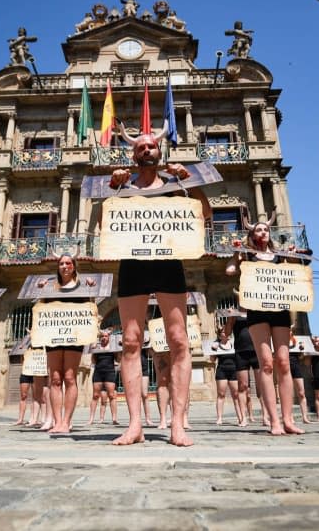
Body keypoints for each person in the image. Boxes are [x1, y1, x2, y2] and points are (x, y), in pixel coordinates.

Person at [107, 123, 212, 446]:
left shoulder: (177, 185)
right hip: (132, 264)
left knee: (179, 340)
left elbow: (204, 214)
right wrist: (112, 190)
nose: (147, 149)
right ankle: (135, 425)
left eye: (151, 145)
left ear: (160, 151)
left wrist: (189, 180)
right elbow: (105, 226)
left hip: (169, 262)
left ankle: (177, 425)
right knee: (130, 341)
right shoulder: (122, 188)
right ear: (133, 154)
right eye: (140, 146)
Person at [226, 216, 304, 435]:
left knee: (284, 363)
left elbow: (296, 273)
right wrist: (236, 253)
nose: (263, 232)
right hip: (257, 311)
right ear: (252, 235)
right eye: (258, 230)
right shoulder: (248, 256)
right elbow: (230, 271)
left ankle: (288, 419)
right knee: (267, 364)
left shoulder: (280, 256)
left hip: (280, 310)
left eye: (265, 229)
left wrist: (294, 254)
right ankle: (274, 421)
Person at [36, 253, 94, 433]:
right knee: (54, 378)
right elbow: (41, 308)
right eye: (61, 263)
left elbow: (90, 308)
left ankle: (66, 421)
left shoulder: (82, 286)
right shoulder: (50, 286)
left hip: (74, 335)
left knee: (69, 377)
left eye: (68, 263)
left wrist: (91, 290)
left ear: (74, 266)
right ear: (58, 266)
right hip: (53, 334)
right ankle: (57, 421)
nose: (65, 266)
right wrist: (41, 291)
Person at [224, 309, 266, 427]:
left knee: (261, 386)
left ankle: (265, 417)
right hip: (241, 353)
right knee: (242, 386)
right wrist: (230, 318)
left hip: (257, 351)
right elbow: (227, 333)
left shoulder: (255, 310)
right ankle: (243, 418)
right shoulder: (234, 313)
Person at [210, 328, 242, 425]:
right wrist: (213, 350)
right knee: (221, 394)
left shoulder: (233, 343)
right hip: (222, 370)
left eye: (226, 331)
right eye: (223, 332)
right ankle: (219, 418)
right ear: (220, 335)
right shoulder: (216, 344)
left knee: (236, 395)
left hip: (234, 370)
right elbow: (212, 360)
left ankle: (240, 417)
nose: (225, 333)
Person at [88, 329, 119, 425]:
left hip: (109, 372)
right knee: (95, 396)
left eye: (106, 336)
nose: (104, 338)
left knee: (111, 395)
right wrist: (93, 350)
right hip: (98, 372)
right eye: (102, 336)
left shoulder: (113, 347)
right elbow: (93, 361)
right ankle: (91, 419)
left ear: (109, 337)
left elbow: (118, 359)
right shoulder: (97, 347)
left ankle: (114, 419)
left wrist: (117, 350)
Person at [288, 331, 311, 424]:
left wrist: (302, 351)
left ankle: (305, 417)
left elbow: (301, 358)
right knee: (288, 394)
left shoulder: (296, 341)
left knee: (301, 393)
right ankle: (290, 417)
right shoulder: (279, 341)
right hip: (285, 368)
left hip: (296, 367)